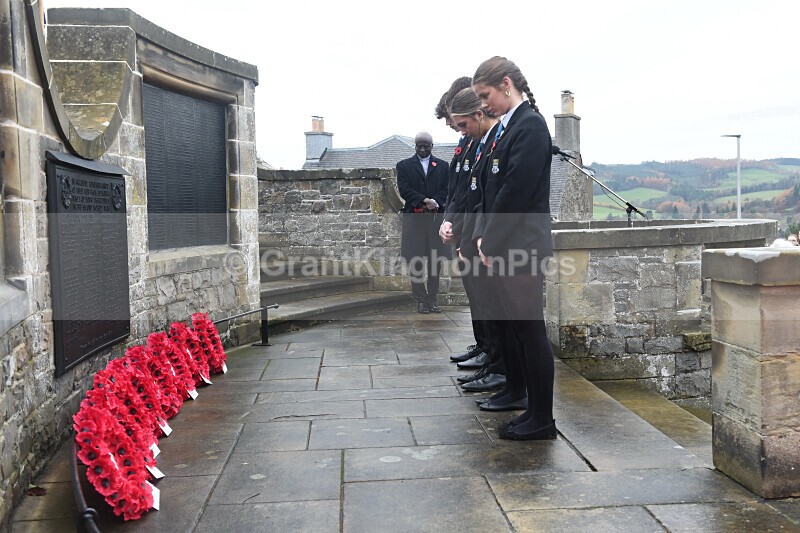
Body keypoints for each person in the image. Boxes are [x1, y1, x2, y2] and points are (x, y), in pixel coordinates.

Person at [470, 56, 557, 440]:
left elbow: (515, 193)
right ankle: (532, 410)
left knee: (530, 331)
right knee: (520, 332)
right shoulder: (509, 128)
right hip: (507, 245)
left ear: (506, 84)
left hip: (522, 247)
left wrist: (489, 241)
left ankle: (542, 418)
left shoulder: (530, 126)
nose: (484, 105)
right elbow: (493, 192)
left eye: (486, 95)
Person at [445, 87, 506, 392]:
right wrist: (453, 225)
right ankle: (490, 357)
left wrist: (478, 236)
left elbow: (484, 195)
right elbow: (461, 190)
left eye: (459, 123)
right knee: (481, 303)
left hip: (485, 237)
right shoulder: (472, 144)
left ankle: (497, 364)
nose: (456, 129)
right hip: (470, 232)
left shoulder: (491, 141)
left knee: (493, 307)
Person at [397, 132, 452, 313]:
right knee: (417, 260)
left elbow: (447, 188)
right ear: (415, 146)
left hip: (436, 220)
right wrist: (423, 201)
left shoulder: (444, 166)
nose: (422, 149)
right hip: (415, 218)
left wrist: (435, 201)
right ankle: (420, 299)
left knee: (435, 261)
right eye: (419, 146)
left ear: (432, 146)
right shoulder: (404, 166)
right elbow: (405, 189)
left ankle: (432, 299)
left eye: (425, 146)